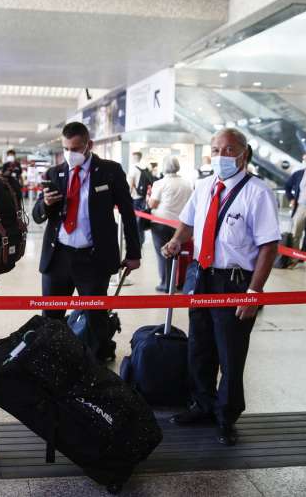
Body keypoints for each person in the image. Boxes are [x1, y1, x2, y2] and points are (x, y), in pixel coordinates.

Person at [162, 128, 280, 446]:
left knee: (230, 350)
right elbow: (188, 223)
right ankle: (202, 404)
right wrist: (176, 241)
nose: (221, 156)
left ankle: (226, 415)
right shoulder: (204, 187)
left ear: (244, 153)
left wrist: (255, 293)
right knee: (199, 344)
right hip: (201, 275)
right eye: (215, 150)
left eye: (228, 150)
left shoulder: (258, 192)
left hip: (236, 280)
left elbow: (269, 246)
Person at [33, 121, 140, 360]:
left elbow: (127, 212)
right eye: (66, 149)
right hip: (58, 256)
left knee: (95, 317)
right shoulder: (54, 173)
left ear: (89, 145)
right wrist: (46, 205)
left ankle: (95, 366)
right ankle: (52, 363)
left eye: (76, 148)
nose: (71, 154)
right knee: (51, 317)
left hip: (93, 258)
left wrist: (134, 253)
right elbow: (38, 216)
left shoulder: (110, 171)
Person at [147, 155, 192, 292]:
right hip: (180, 224)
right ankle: (176, 281)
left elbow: (153, 204)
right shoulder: (186, 183)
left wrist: (148, 199)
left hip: (160, 223)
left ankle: (166, 284)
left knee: (163, 253)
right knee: (176, 253)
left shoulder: (160, 183)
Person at [128, 151, 152, 245]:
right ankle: (141, 239)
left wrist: (127, 197)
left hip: (135, 198)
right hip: (142, 197)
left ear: (134, 158)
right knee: (141, 219)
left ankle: (136, 241)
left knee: (134, 220)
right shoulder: (145, 168)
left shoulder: (133, 169)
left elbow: (130, 185)